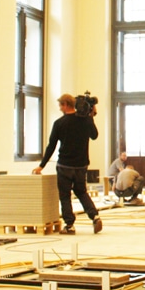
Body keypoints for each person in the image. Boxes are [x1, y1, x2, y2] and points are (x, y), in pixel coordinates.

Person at [32, 93, 103, 235]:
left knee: (65, 196)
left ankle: (69, 225)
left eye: (60, 105)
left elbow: (51, 146)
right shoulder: (85, 121)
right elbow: (94, 136)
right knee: (81, 192)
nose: (59, 108)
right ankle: (94, 216)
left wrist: (42, 165)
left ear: (65, 105)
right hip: (81, 165)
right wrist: (91, 117)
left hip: (65, 165)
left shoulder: (59, 123)